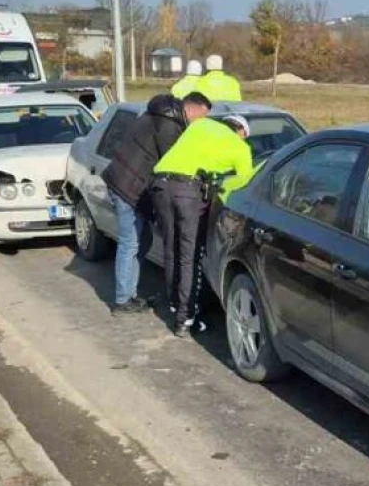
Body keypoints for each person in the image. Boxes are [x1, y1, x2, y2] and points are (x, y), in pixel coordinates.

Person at [151, 91, 255, 336]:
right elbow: (245, 188)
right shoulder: (240, 148)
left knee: (171, 250)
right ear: (241, 132)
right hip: (187, 191)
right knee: (189, 256)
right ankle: (184, 320)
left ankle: (175, 304)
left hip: (159, 185)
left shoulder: (201, 126)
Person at [100, 93, 186, 314]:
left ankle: (130, 293)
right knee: (130, 243)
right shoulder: (168, 126)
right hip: (127, 187)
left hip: (124, 182)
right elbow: (173, 161)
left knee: (142, 239)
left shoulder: (152, 116)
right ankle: (121, 301)